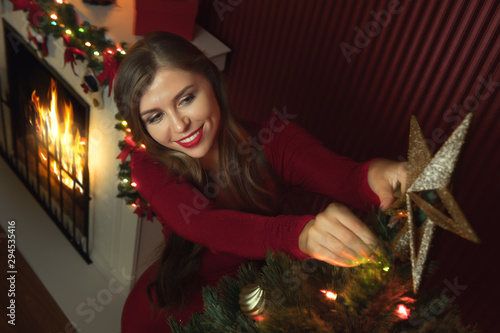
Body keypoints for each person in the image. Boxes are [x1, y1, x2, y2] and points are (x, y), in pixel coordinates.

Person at [114, 31, 407, 332]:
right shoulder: (149, 165)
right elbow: (201, 223)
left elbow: (350, 179)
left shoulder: (275, 141)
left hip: (261, 306)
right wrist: (300, 235)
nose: (179, 125)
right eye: (155, 117)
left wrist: (382, 173)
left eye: (186, 99)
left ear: (211, 82)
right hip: (169, 310)